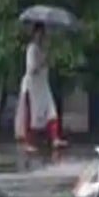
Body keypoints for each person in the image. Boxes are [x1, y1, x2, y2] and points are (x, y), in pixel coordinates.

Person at [16, 24, 68, 152]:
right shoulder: (32, 49)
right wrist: (42, 62)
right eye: (39, 33)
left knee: (51, 111)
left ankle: (55, 138)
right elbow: (32, 68)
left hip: (43, 86)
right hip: (32, 87)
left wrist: (48, 58)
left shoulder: (42, 49)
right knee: (31, 115)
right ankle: (29, 142)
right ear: (34, 34)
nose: (41, 36)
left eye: (43, 34)